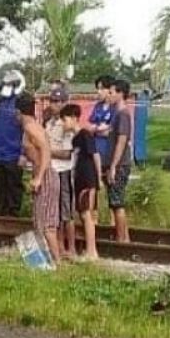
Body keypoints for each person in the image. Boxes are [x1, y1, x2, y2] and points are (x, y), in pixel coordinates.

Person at [15, 91, 62, 263]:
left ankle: (57, 263)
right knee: (39, 221)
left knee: (47, 224)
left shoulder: (31, 128)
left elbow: (46, 151)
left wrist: (40, 177)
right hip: (40, 173)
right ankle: (44, 260)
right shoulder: (30, 128)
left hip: (46, 176)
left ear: (18, 112)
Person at [62, 103, 101, 261]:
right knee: (83, 214)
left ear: (73, 118)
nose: (64, 124)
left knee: (87, 215)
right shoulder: (75, 139)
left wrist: (98, 180)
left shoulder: (85, 135)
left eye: (64, 120)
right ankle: (89, 249)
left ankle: (92, 251)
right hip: (79, 179)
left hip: (88, 179)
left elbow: (95, 156)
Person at [0, 70, 25, 216]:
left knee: (14, 187)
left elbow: (26, 129)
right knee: (0, 185)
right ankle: (0, 214)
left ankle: (13, 215)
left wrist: (23, 153)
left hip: (14, 153)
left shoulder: (21, 102)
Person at [45, 84, 75, 257]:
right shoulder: (49, 123)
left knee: (66, 212)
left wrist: (46, 151)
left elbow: (66, 153)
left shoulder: (67, 124)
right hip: (51, 170)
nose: (54, 104)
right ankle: (58, 246)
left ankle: (70, 247)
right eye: (52, 100)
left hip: (63, 170)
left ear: (65, 102)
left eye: (58, 101)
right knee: (54, 211)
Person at [106, 79, 133, 243]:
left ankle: (121, 239)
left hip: (120, 163)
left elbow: (122, 140)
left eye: (112, 92)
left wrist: (114, 165)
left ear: (121, 94)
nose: (110, 95)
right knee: (115, 201)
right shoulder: (116, 113)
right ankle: (124, 237)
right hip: (118, 162)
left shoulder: (123, 114)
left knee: (117, 203)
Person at [87, 74, 116, 173]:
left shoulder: (115, 108)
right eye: (98, 89)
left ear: (110, 90)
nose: (98, 92)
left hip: (109, 153)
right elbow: (90, 127)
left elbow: (113, 131)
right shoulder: (98, 107)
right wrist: (99, 129)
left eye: (102, 88)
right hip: (95, 152)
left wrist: (101, 130)